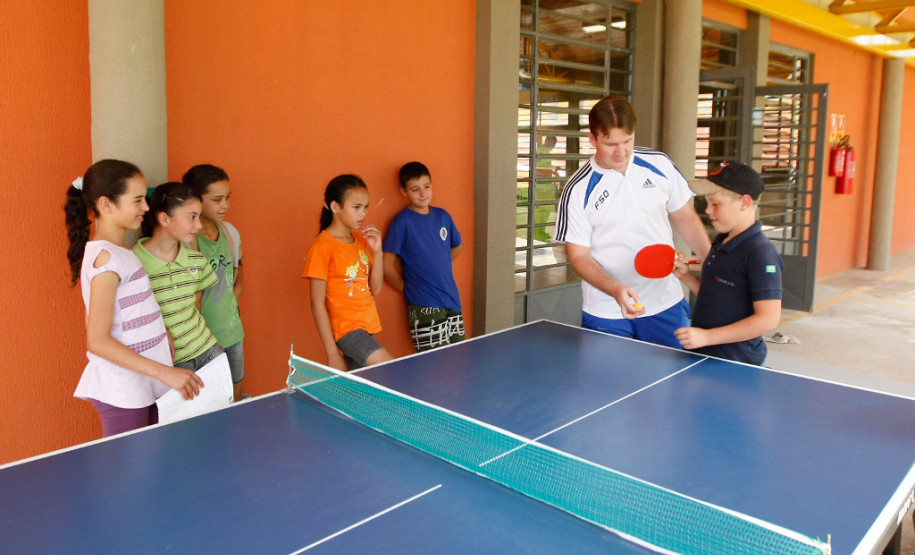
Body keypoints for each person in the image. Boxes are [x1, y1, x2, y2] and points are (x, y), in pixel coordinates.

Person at [554, 95, 711, 348]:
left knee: (672, 384)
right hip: (606, 307)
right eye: (610, 144)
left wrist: (712, 262)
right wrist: (615, 289)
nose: (621, 152)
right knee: (610, 387)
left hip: (664, 301)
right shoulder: (577, 189)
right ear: (592, 139)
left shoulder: (659, 164)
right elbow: (579, 256)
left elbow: (685, 217)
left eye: (627, 141)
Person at [65, 160, 203, 436]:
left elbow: (127, 313)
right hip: (124, 391)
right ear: (106, 205)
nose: (146, 208)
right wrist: (164, 372)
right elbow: (97, 340)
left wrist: (162, 334)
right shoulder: (105, 259)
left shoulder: (120, 253)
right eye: (137, 200)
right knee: (127, 474)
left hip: (143, 384)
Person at [672, 161, 783, 365]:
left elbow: (768, 319)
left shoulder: (760, 253)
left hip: (736, 362)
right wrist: (688, 277)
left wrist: (707, 337)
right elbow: (720, 296)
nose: (707, 210)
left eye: (715, 204)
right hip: (704, 355)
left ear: (745, 203)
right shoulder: (721, 242)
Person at [303, 174, 394, 371]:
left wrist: (377, 252)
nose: (363, 213)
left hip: (369, 327)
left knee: (359, 391)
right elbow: (316, 303)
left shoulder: (360, 240)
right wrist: (332, 354)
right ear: (335, 207)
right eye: (356, 207)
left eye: (366, 207)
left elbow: (375, 289)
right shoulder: (322, 247)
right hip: (348, 331)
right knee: (390, 368)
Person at [133, 182, 224, 371]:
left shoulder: (197, 261)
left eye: (198, 217)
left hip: (210, 352)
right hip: (168, 364)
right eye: (192, 217)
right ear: (164, 219)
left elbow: (197, 305)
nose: (198, 225)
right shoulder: (133, 264)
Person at [383, 162, 465, 352]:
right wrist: (406, 288)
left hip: (452, 300)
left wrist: (436, 265)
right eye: (415, 189)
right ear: (404, 191)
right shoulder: (401, 222)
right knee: (435, 366)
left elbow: (457, 247)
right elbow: (386, 265)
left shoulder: (443, 216)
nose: (422, 193)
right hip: (424, 305)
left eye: (427, 186)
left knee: (459, 359)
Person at [183, 164, 246, 401]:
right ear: (195, 200)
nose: (225, 205)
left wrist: (229, 313)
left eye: (228, 198)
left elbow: (236, 279)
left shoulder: (230, 233)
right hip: (201, 343)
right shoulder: (187, 242)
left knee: (235, 398)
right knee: (207, 403)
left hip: (233, 334)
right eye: (217, 199)